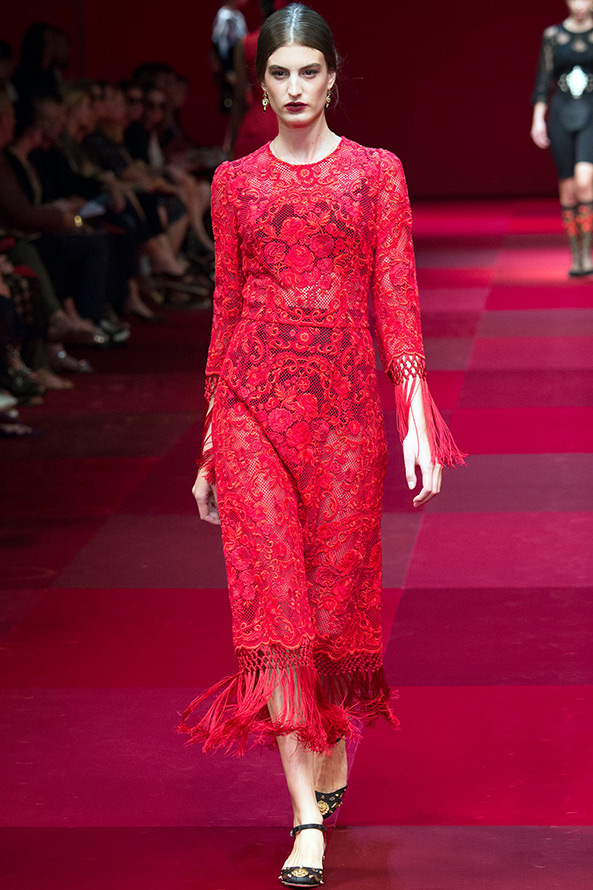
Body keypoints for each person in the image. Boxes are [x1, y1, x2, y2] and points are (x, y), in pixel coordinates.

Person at [182, 5, 464, 886]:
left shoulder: (375, 173)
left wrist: (415, 409)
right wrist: (208, 441)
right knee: (275, 613)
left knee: (337, 612)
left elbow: (395, 295)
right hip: (250, 411)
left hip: (344, 415)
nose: (295, 88)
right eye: (280, 74)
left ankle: (329, 733)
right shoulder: (233, 182)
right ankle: (304, 815)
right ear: (260, 86)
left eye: (309, 71)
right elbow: (226, 308)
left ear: (332, 77)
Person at [531, 0, 593, 276]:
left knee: (584, 182)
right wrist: (537, 119)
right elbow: (543, 81)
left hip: (591, 113)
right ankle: (576, 256)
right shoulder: (553, 35)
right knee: (568, 188)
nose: (579, 4)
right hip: (561, 114)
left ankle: (587, 254)